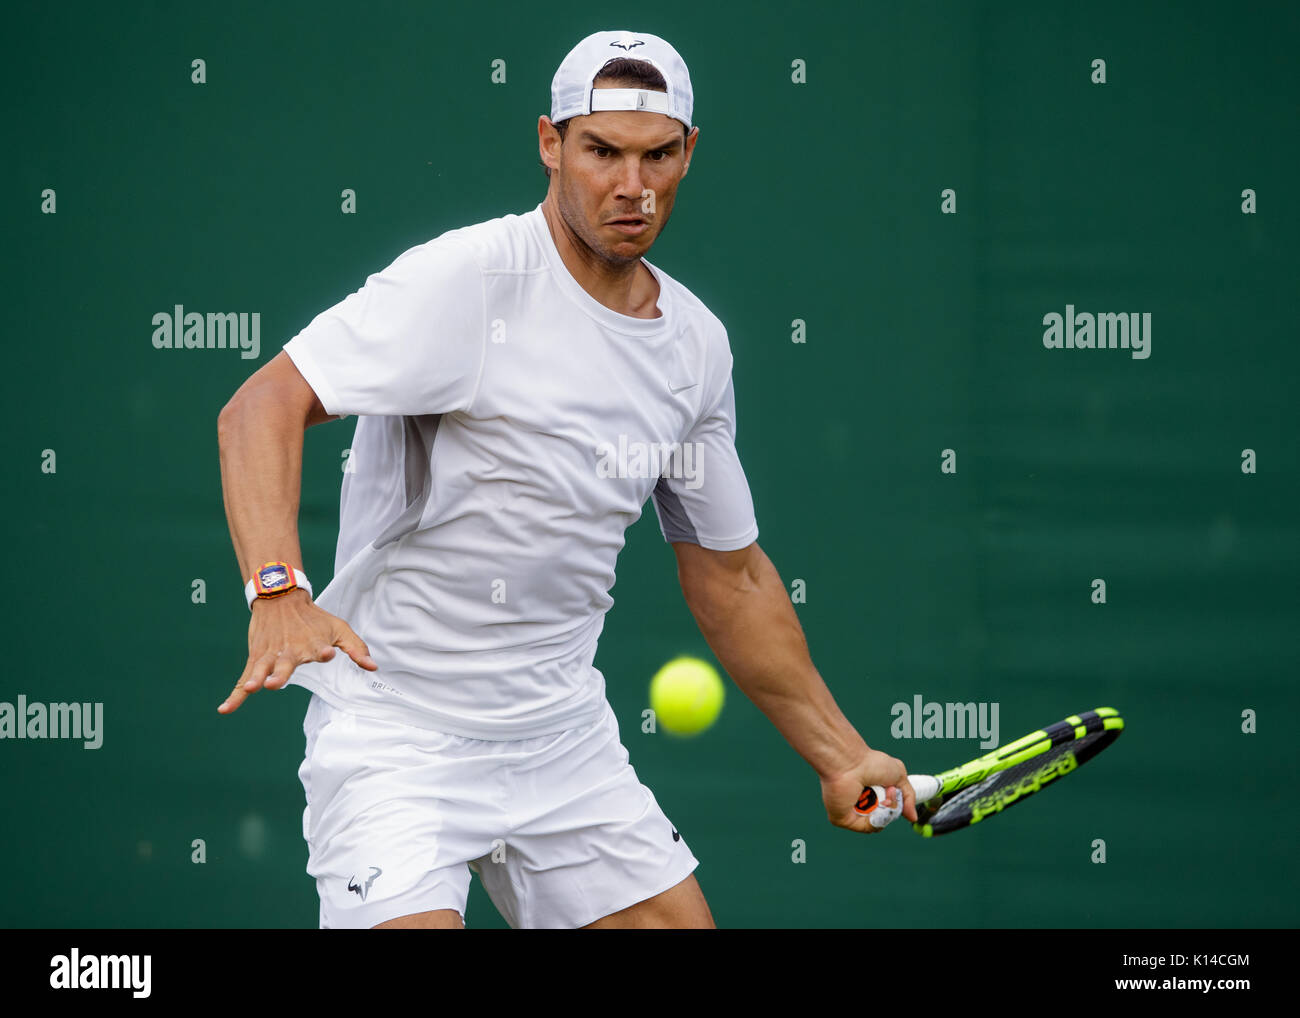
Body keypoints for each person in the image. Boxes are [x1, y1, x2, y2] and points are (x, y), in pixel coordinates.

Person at [216, 29, 916, 930]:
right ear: (551, 144)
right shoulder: (467, 281)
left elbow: (730, 576)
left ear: (688, 154)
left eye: (658, 155)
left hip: (562, 742)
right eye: (603, 153)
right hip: (397, 735)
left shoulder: (694, 345)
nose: (633, 186)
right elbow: (260, 406)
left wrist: (838, 754)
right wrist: (277, 587)